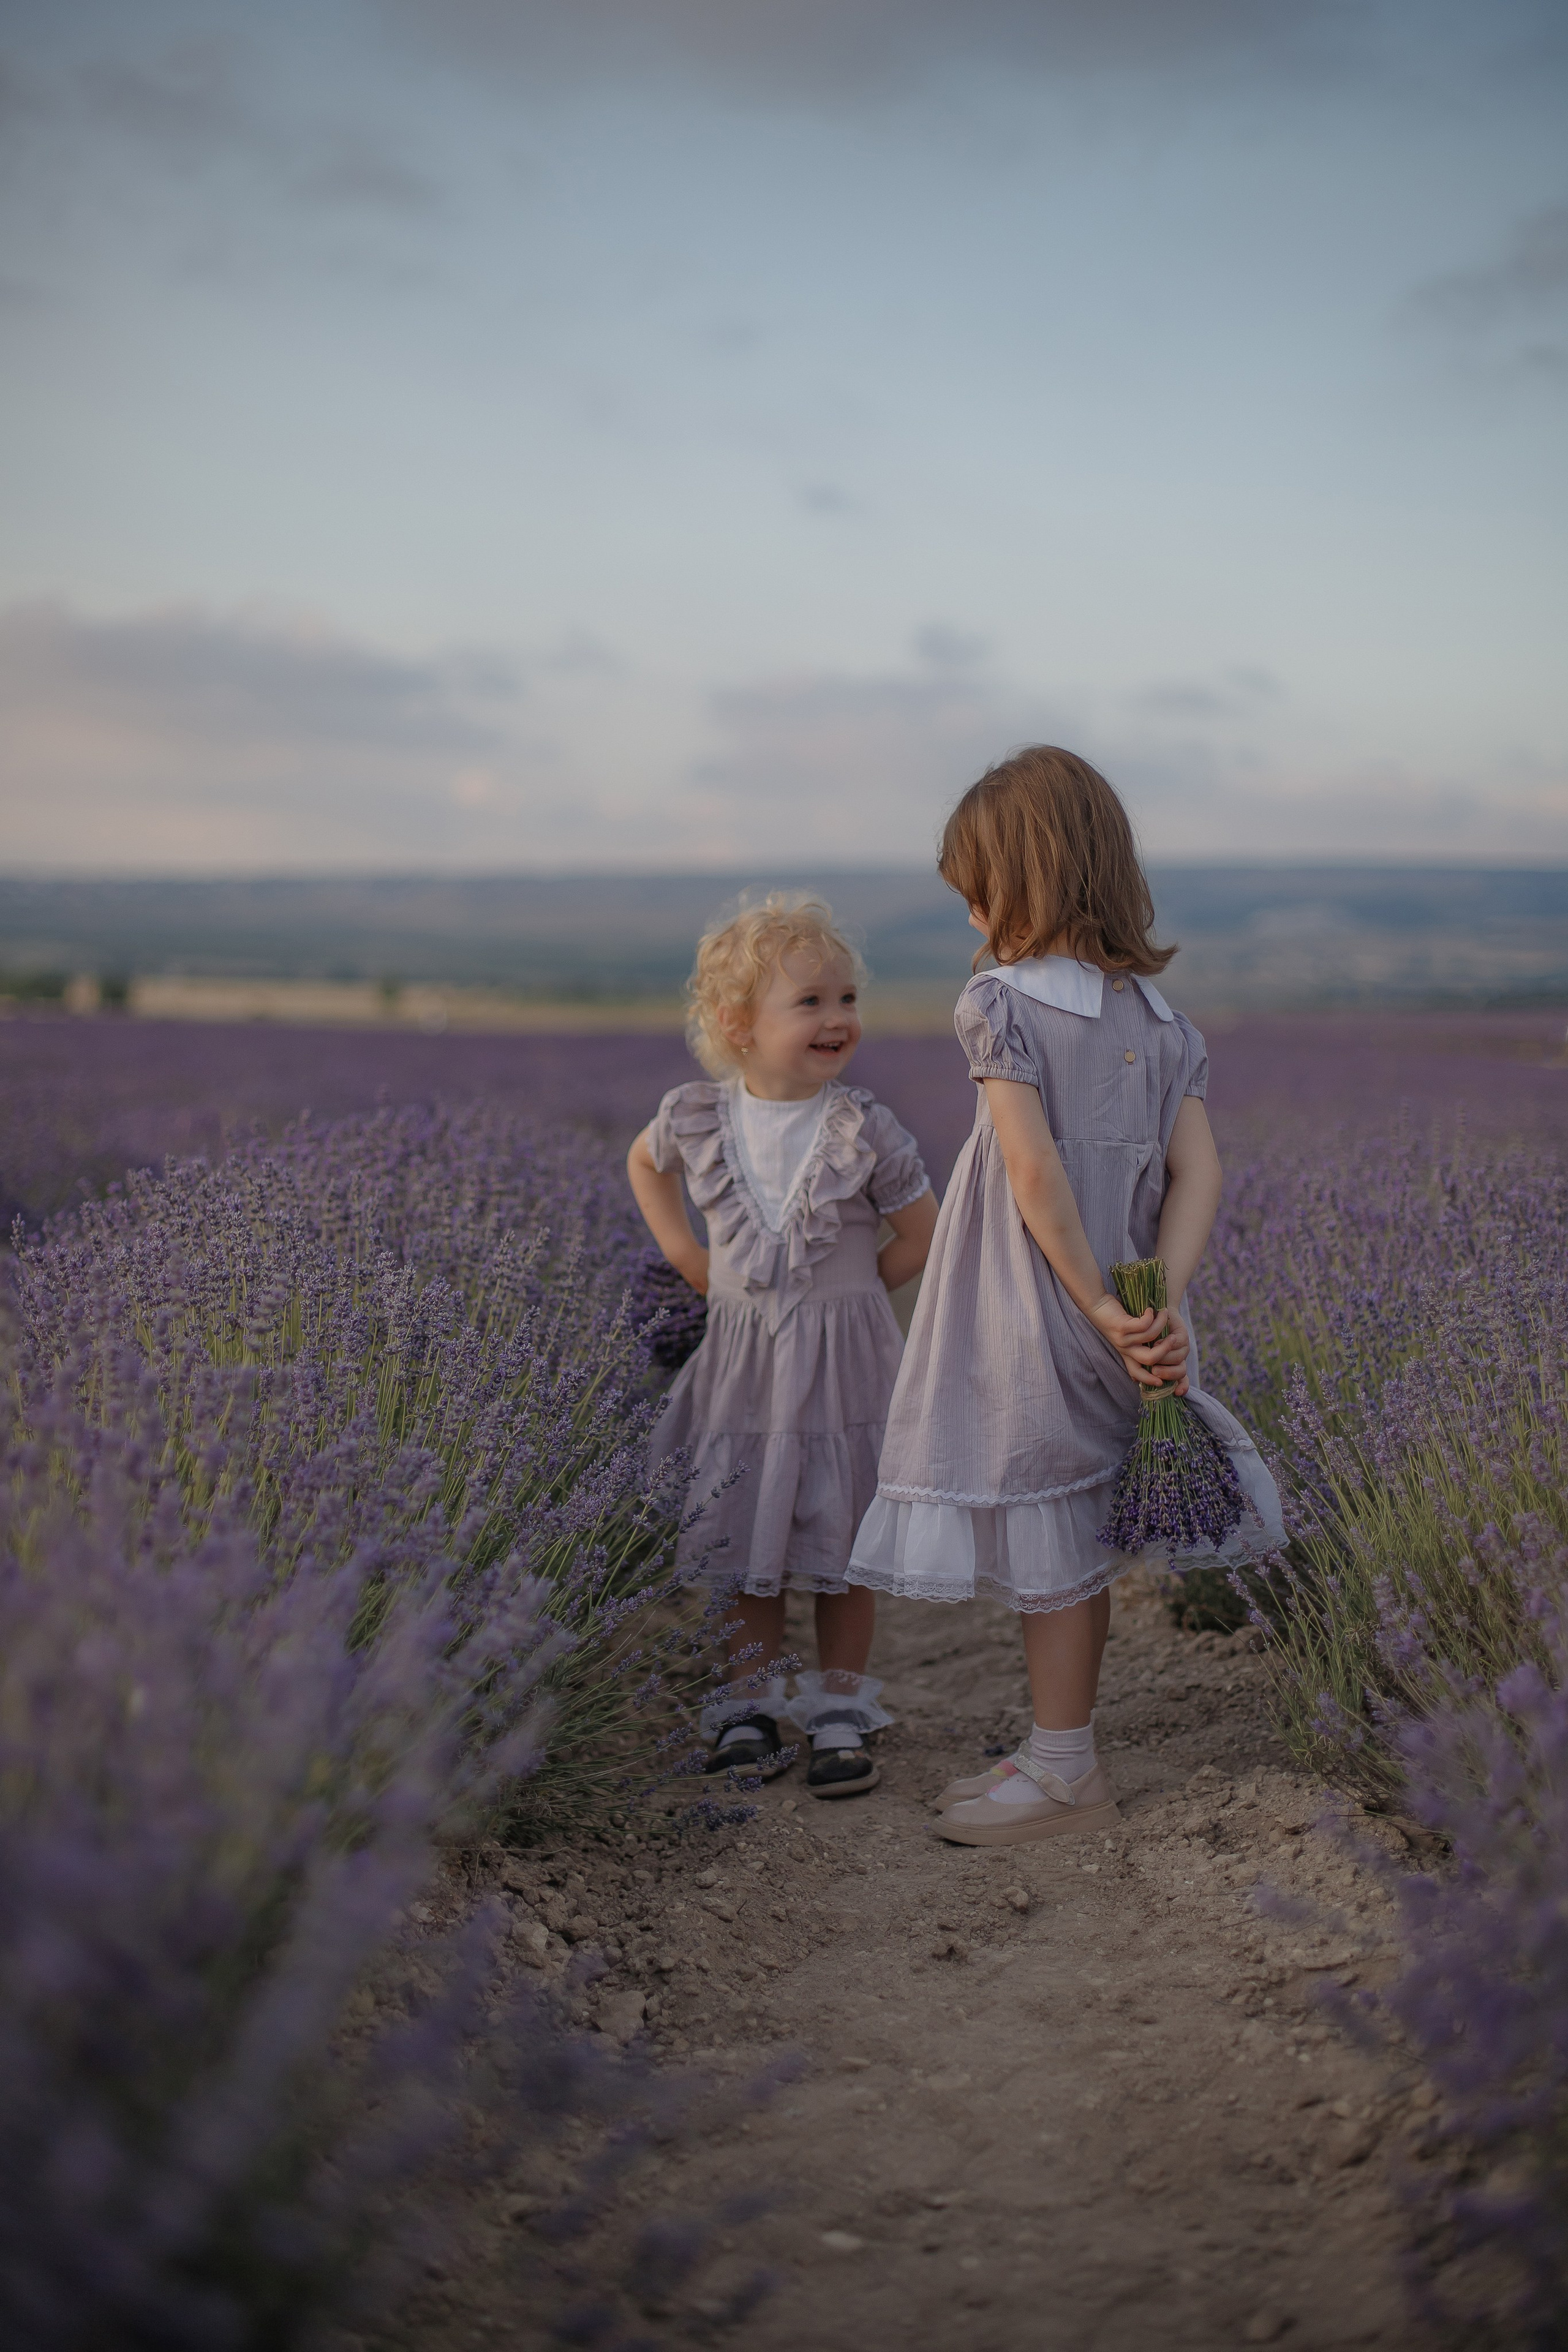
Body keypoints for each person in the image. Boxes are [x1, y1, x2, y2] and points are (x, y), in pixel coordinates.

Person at [846, 748, 1284, 1846]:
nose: (972, 921)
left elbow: (1031, 1174)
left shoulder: (997, 1005)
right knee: (1077, 1522)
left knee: (1048, 1519)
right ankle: (1057, 1749)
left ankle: (1065, 1777)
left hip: (1036, 1299)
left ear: (1025, 883)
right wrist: (1154, 1304)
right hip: (1130, 1307)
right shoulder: (1158, 1018)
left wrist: (1091, 1302)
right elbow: (1203, 1174)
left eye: (977, 895)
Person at [627, 894, 938, 1799]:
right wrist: (685, 1252)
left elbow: (924, 1228)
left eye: (847, 1000)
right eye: (810, 1002)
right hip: (743, 1371)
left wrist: (850, 1296)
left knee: (842, 1550)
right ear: (737, 1024)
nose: (838, 1018)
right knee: (744, 1543)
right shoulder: (696, 1117)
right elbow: (643, 1165)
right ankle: (747, 1706)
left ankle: (841, 1709)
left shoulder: (863, 1128)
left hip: (842, 1372)